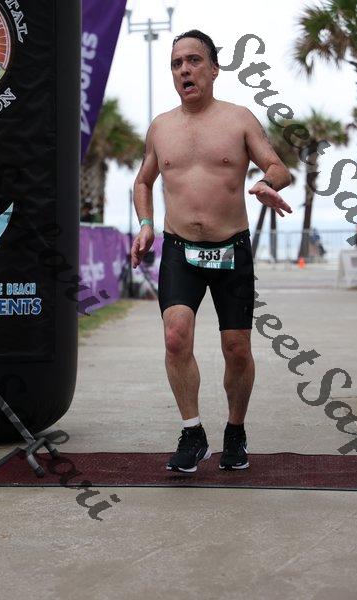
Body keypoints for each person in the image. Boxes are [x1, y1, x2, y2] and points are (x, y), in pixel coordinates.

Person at [131, 30, 292, 473]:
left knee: (236, 348)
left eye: (194, 60)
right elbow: (143, 181)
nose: (184, 69)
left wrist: (266, 183)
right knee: (175, 336)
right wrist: (145, 224)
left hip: (231, 249)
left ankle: (235, 431)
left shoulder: (239, 119)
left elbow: (278, 166)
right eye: (176, 63)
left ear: (214, 69)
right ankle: (192, 432)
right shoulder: (161, 127)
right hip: (179, 249)